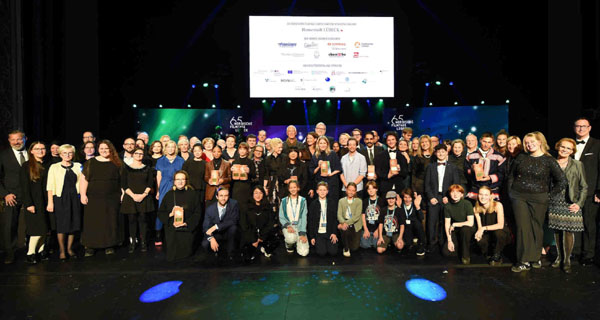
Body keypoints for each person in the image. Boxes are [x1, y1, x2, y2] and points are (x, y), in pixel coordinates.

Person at [508, 132, 566, 272]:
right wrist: (511, 193)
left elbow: (562, 181)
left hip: (540, 198)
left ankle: (535, 257)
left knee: (536, 227)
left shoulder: (549, 160)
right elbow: (511, 176)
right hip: (519, 196)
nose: (529, 144)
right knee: (522, 227)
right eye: (527, 142)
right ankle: (523, 260)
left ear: (540, 142)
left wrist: (549, 196)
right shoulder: (521, 157)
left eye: (532, 141)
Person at [549, 138, 587, 273]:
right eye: (562, 147)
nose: (565, 150)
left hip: (570, 202)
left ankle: (567, 260)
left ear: (572, 151)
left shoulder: (577, 164)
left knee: (568, 231)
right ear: (558, 147)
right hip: (554, 201)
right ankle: (559, 257)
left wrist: (579, 204)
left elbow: (584, 186)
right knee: (557, 230)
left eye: (568, 148)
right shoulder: (551, 162)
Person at [80, 140, 123, 257]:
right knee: (93, 221)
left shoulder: (117, 163)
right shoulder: (91, 162)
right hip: (93, 197)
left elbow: (121, 181)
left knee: (110, 221)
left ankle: (109, 245)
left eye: (106, 148)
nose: (104, 151)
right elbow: (84, 179)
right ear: (98, 150)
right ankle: (90, 246)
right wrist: (83, 194)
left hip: (111, 197)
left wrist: (122, 193)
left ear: (111, 150)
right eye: (101, 148)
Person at [572, 117, 600, 266]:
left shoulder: (597, 145)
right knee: (574, 224)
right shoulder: (569, 144)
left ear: (589, 128)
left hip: (590, 192)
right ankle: (575, 252)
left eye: (584, 126)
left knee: (589, 223)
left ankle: (588, 254)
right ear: (574, 128)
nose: (581, 129)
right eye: (578, 126)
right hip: (572, 192)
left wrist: (599, 191)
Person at [47, 144, 82, 261]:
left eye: (70, 153)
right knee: (62, 225)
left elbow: (82, 182)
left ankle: (69, 249)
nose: (67, 155)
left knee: (73, 224)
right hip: (60, 198)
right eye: (65, 153)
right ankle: (62, 250)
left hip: (74, 198)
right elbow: (50, 186)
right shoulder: (54, 167)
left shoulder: (78, 166)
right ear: (60, 154)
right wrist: (50, 202)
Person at [158, 171, 203, 261]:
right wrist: (170, 214)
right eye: (178, 179)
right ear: (174, 181)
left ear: (186, 181)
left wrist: (187, 223)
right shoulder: (168, 195)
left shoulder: (193, 194)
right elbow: (161, 212)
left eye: (183, 179)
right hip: (172, 229)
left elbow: (198, 213)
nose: (180, 181)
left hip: (187, 229)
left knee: (186, 258)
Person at [424, 144, 462, 251]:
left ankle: (443, 243)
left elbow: (456, 185)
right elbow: (426, 185)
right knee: (431, 222)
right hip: (434, 198)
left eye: (443, 151)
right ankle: (431, 244)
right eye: (438, 152)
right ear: (435, 153)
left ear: (446, 153)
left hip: (446, 198)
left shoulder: (453, 167)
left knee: (444, 221)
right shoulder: (430, 167)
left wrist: (449, 197)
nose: (441, 154)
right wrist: (431, 197)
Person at [20, 142, 51, 263]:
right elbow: (24, 187)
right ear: (31, 151)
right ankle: (30, 253)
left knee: (45, 228)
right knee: (37, 229)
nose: (40, 151)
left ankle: (41, 251)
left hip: (46, 201)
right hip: (34, 202)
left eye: (43, 148)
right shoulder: (26, 166)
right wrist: (29, 204)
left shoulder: (48, 164)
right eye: (37, 149)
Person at [0, 130, 28, 264]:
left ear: (25, 139)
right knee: (10, 225)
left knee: (33, 223)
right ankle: (10, 253)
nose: (16, 142)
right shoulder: (3, 156)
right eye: (13, 140)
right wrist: (5, 194)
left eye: (19, 139)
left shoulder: (33, 153)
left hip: (29, 194)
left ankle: (32, 251)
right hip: (12, 195)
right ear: (9, 141)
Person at [120, 147, 155, 253]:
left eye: (141, 153)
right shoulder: (126, 168)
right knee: (132, 220)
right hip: (130, 197)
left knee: (143, 220)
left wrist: (143, 195)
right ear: (133, 155)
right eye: (136, 153)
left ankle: (143, 242)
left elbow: (150, 183)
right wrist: (134, 196)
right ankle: (133, 242)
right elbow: (124, 184)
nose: (139, 155)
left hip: (144, 197)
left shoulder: (147, 168)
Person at [155, 140, 185, 245]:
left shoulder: (181, 160)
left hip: (177, 186)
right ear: (165, 148)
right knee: (162, 208)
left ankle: (177, 232)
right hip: (164, 186)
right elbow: (158, 176)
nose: (171, 149)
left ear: (175, 148)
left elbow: (183, 176)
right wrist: (158, 190)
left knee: (177, 208)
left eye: (173, 147)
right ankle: (158, 234)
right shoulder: (160, 160)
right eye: (169, 147)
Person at [473, 186, 511, 265]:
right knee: (479, 239)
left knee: (499, 233)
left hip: (500, 232)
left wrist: (483, 228)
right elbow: (480, 227)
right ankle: (489, 253)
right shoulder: (476, 208)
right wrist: (479, 233)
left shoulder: (497, 205)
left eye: (486, 195)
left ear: (491, 196)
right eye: (481, 194)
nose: (483, 197)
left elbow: (500, 225)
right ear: (478, 195)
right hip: (488, 233)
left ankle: (497, 255)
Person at [240, 186, 279, 261]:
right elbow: (244, 225)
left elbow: (270, 223)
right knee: (248, 256)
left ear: (263, 194)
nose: (258, 195)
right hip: (250, 235)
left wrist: (261, 237)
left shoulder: (268, 207)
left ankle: (262, 247)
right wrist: (254, 239)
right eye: (256, 193)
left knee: (275, 240)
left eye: (260, 193)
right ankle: (257, 248)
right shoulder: (245, 207)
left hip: (263, 235)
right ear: (252, 194)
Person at [465, 132, 506, 201]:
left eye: (489, 142)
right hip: (475, 188)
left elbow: (502, 174)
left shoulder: (499, 157)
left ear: (492, 142)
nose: (486, 145)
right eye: (484, 141)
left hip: (492, 189)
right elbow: (466, 170)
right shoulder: (471, 156)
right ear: (480, 140)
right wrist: (472, 169)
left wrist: (489, 177)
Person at [442, 184, 475, 264]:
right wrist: (449, 240)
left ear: (461, 194)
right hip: (456, 230)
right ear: (449, 194)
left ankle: (466, 256)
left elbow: (470, 223)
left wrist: (455, 224)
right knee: (446, 252)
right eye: (453, 192)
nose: (455, 194)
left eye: (458, 192)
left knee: (465, 230)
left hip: (468, 229)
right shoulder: (447, 206)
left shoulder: (467, 204)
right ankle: (460, 247)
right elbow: (447, 224)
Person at [202, 187, 239, 259]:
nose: (223, 198)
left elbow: (234, 220)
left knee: (234, 228)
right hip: (216, 234)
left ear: (228, 196)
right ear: (217, 197)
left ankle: (230, 254)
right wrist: (211, 238)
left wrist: (216, 226)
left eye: (226, 196)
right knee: (205, 244)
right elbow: (205, 228)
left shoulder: (234, 204)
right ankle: (214, 255)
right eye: (221, 196)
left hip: (228, 232)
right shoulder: (210, 209)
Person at [308, 182, 339, 256]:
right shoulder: (313, 204)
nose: (322, 192)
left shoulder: (332, 203)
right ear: (317, 191)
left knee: (333, 252)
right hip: (318, 233)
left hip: (329, 232)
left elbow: (335, 219)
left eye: (324, 190)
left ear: (327, 191)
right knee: (321, 253)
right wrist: (312, 236)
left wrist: (334, 233)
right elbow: (310, 221)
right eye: (320, 190)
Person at [279, 181, 309, 256]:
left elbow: (304, 217)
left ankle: (298, 241)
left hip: (299, 226)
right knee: (290, 239)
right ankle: (289, 245)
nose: (293, 189)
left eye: (294, 187)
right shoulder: (284, 201)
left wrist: (302, 233)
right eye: (291, 188)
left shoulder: (303, 200)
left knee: (304, 252)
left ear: (298, 188)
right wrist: (287, 226)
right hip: (289, 226)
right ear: (288, 189)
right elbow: (281, 216)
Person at [310, 136, 342, 201]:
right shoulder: (315, 155)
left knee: (332, 202)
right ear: (318, 144)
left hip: (332, 182)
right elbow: (312, 171)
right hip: (319, 182)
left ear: (327, 144)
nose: (322, 145)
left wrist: (330, 174)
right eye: (321, 143)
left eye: (324, 143)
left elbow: (339, 168)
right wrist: (319, 166)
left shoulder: (332, 153)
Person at [337, 183, 363, 257]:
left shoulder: (358, 201)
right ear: (346, 190)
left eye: (353, 190)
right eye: (349, 190)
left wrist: (346, 223)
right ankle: (346, 248)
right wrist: (343, 223)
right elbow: (339, 215)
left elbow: (357, 216)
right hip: (345, 222)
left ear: (355, 192)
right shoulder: (341, 201)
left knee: (354, 248)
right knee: (344, 229)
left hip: (355, 224)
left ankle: (349, 245)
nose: (351, 192)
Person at [398, 188, 426, 256]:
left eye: (409, 197)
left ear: (412, 198)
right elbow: (400, 219)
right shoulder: (401, 205)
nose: (407, 199)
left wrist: (417, 207)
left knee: (418, 224)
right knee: (408, 244)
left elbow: (422, 217)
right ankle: (409, 243)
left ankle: (421, 245)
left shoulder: (415, 204)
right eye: (405, 197)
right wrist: (398, 207)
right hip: (406, 228)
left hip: (415, 226)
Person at [231, 142, 254, 215]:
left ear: (247, 151)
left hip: (246, 188)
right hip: (236, 188)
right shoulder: (234, 162)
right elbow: (231, 178)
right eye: (240, 149)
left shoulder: (250, 162)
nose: (242, 151)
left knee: (245, 209)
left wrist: (249, 171)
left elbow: (254, 175)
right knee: (235, 208)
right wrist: (230, 171)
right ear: (238, 150)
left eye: (244, 149)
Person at [361, 181, 384, 249]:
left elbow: (382, 218)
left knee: (376, 245)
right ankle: (369, 239)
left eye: (373, 188)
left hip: (376, 228)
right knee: (365, 245)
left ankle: (372, 240)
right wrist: (365, 229)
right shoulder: (365, 201)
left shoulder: (381, 201)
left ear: (376, 189)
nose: (371, 191)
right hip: (367, 227)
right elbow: (363, 216)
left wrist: (378, 231)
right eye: (369, 189)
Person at [265, 138, 287, 206]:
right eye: (279, 147)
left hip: (282, 184)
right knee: (273, 203)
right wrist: (265, 187)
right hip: (272, 183)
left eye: (281, 147)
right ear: (274, 147)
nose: (281, 149)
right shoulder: (268, 159)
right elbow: (266, 173)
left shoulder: (285, 157)